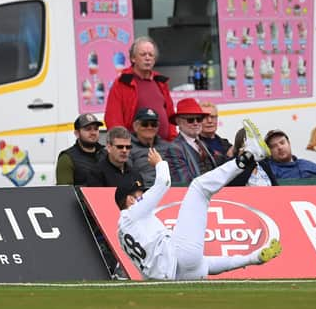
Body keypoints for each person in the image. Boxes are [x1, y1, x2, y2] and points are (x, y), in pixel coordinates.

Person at [116, 119, 282, 280]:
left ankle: (253, 258)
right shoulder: (132, 214)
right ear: (130, 200)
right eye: (139, 194)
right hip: (178, 259)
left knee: (205, 262)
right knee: (199, 188)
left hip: (174, 275)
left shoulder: (121, 233)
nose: (143, 196)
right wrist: (159, 163)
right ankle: (250, 155)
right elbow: (163, 183)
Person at [104, 36, 177, 141]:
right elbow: (113, 119)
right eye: (143, 54)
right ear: (133, 58)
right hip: (135, 148)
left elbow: (170, 116)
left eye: (151, 55)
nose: (147, 58)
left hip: (164, 146)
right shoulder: (122, 83)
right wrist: (123, 145)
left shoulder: (161, 82)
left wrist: (172, 140)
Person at [164, 98, 219, 186]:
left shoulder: (202, 144)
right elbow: (184, 184)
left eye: (199, 119)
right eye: (190, 120)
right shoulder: (174, 149)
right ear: (178, 121)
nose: (196, 123)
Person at [56, 113, 106, 185]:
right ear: (77, 133)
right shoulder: (67, 158)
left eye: (96, 129)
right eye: (88, 129)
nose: (93, 133)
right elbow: (65, 192)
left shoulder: (106, 154)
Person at [129, 107, 170, 187]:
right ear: (135, 126)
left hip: (168, 189)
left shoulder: (167, 146)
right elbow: (128, 174)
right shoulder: (127, 147)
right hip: (142, 190)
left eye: (153, 124)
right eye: (145, 124)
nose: (149, 127)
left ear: (158, 127)